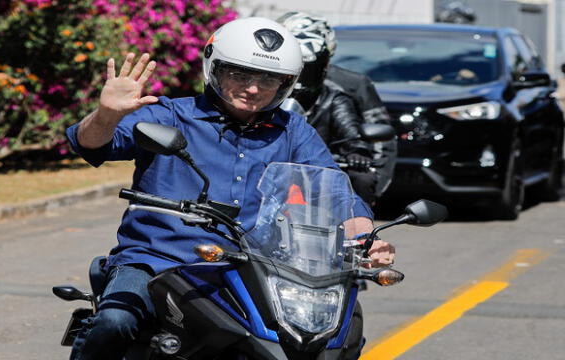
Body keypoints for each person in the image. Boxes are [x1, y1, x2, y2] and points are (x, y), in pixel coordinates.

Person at [65, 16, 395, 360]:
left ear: (286, 84)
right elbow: (91, 145)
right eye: (239, 74)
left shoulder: (294, 130)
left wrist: (365, 237)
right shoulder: (170, 114)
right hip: (159, 260)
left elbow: (335, 192)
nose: (253, 88)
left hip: (252, 270)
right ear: (214, 69)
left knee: (325, 336)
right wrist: (106, 114)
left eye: (269, 79)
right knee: (115, 321)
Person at [278, 12, 396, 206]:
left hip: (326, 171)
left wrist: (363, 161)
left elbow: (373, 136)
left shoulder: (342, 91)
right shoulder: (262, 88)